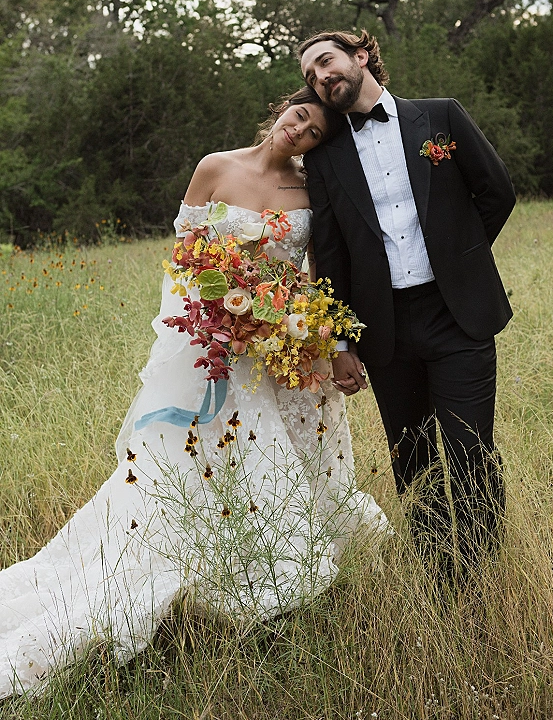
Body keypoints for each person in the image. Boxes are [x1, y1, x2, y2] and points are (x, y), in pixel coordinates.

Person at [0, 86, 389, 698]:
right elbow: (183, 258)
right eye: (299, 116)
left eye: (314, 131)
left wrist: (308, 334)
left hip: (279, 348)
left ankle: (272, 583)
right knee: (193, 465)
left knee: (284, 460)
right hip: (212, 343)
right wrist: (215, 318)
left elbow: (316, 272)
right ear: (281, 110)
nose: (300, 130)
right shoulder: (216, 166)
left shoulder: (311, 191)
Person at [298, 30, 516, 581]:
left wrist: (457, 259)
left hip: (457, 316)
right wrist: (340, 340)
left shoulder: (439, 117)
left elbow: (496, 191)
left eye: (326, 62)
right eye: (310, 76)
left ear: (360, 58)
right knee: (411, 458)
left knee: (470, 449)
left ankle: (480, 575)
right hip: (383, 327)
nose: (321, 77)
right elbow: (330, 254)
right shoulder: (325, 156)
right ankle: (439, 575)